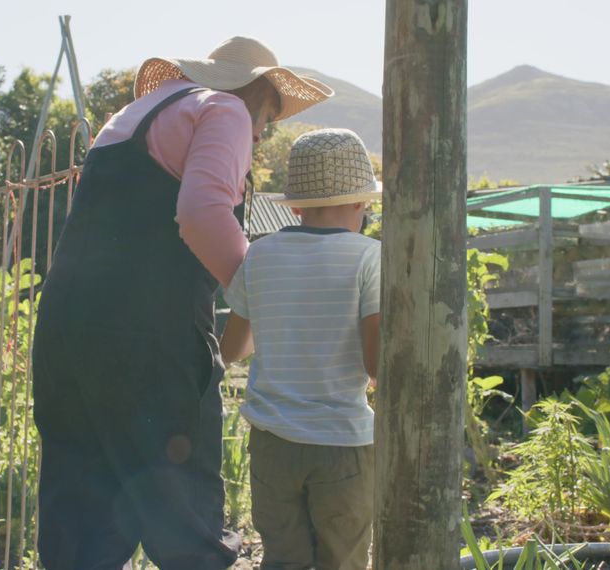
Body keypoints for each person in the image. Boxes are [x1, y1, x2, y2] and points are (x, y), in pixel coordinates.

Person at [31, 37, 332, 569]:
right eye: (270, 117)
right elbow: (201, 214)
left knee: (80, 531)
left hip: (63, 331)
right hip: (148, 338)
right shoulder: (225, 109)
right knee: (186, 526)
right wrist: (260, 300)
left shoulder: (130, 117)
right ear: (254, 92)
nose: (262, 132)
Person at [219, 128, 381, 570]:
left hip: (272, 445)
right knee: (342, 561)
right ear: (358, 202)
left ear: (294, 204)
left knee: (283, 560)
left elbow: (232, 348)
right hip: (341, 445)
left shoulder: (260, 254)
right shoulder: (369, 257)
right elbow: (376, 363)